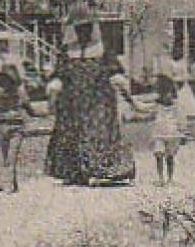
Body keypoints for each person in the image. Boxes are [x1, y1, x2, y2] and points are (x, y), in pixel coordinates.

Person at [45, 25, 140, 186]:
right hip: (72, 101)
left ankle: (101, 170)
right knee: (72, 134)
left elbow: (114, 71)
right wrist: (52, 94)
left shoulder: (102, 49)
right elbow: (59, 73)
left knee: (97, 133)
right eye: (80, 28)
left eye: (87, 28)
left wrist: (125, 91)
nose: (83, 32)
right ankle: (74, 172)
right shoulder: (67, 50)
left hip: (99, 99)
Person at [0, 65, 40, 193]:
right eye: (5, 81)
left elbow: (30, 109)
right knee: (5, 156)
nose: (7, 84)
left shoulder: (20, 95)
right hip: (3, 127)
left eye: (9, 81)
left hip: (16, 127)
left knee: (11, 157)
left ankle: (8, 185)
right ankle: (11, 183)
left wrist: (32, 115)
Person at [149, 75, 186, 185]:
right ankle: (161, 178)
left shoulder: (176, 106)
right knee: (159, 154)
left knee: (170, 157)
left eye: (169, 93)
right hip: (158, 134)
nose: (167, 96)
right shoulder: (156, 106)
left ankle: (170, 178)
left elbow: (181, 120)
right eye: (164, 94)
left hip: (172, 134)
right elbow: (143, 109)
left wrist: (183, 133)